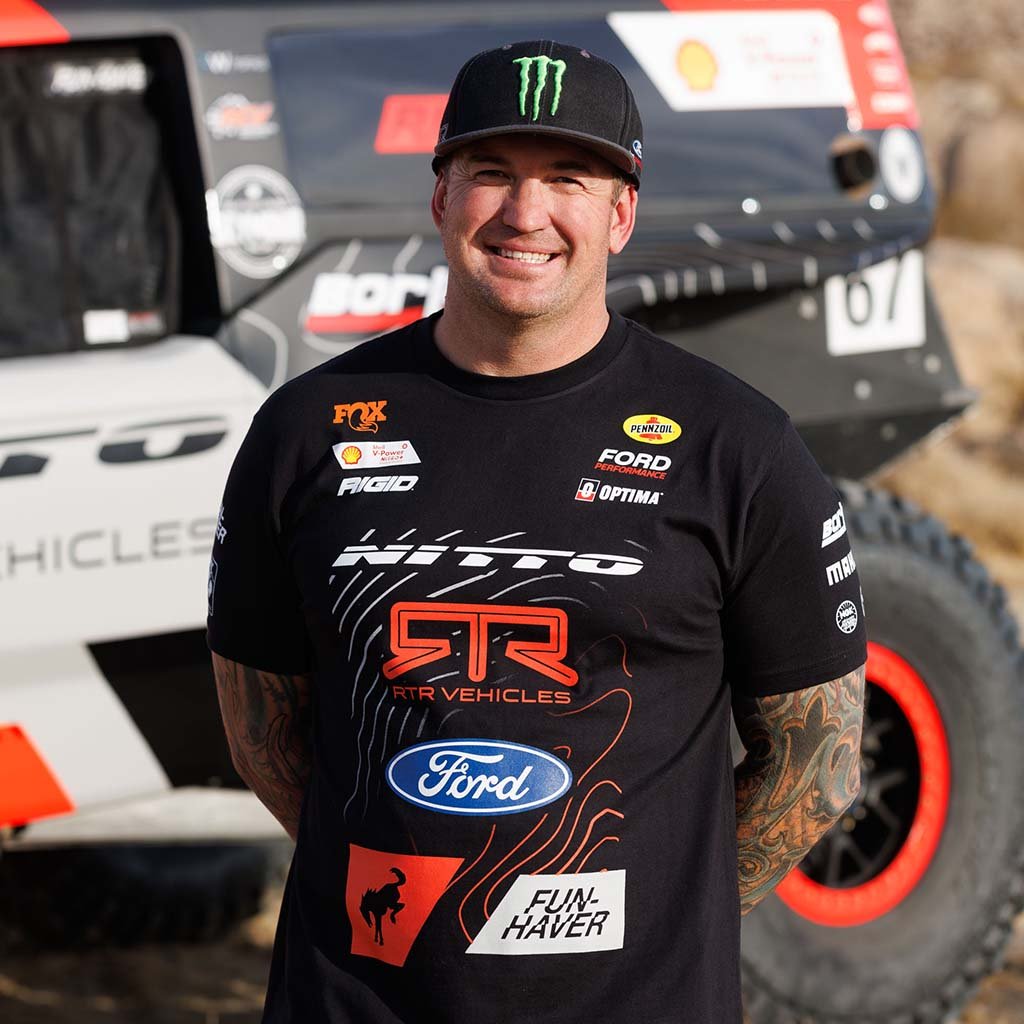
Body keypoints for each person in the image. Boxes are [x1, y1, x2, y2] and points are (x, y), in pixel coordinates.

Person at [207, 39, 866, 1024]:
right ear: (440, 196)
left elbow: (819, 763)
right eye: (491, 172)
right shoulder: (304, 432)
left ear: (621, 213)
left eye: (567, 178)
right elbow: (264, 735)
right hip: (356, 999)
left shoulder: (737, 447)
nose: (525, 213)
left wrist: (670, 914)